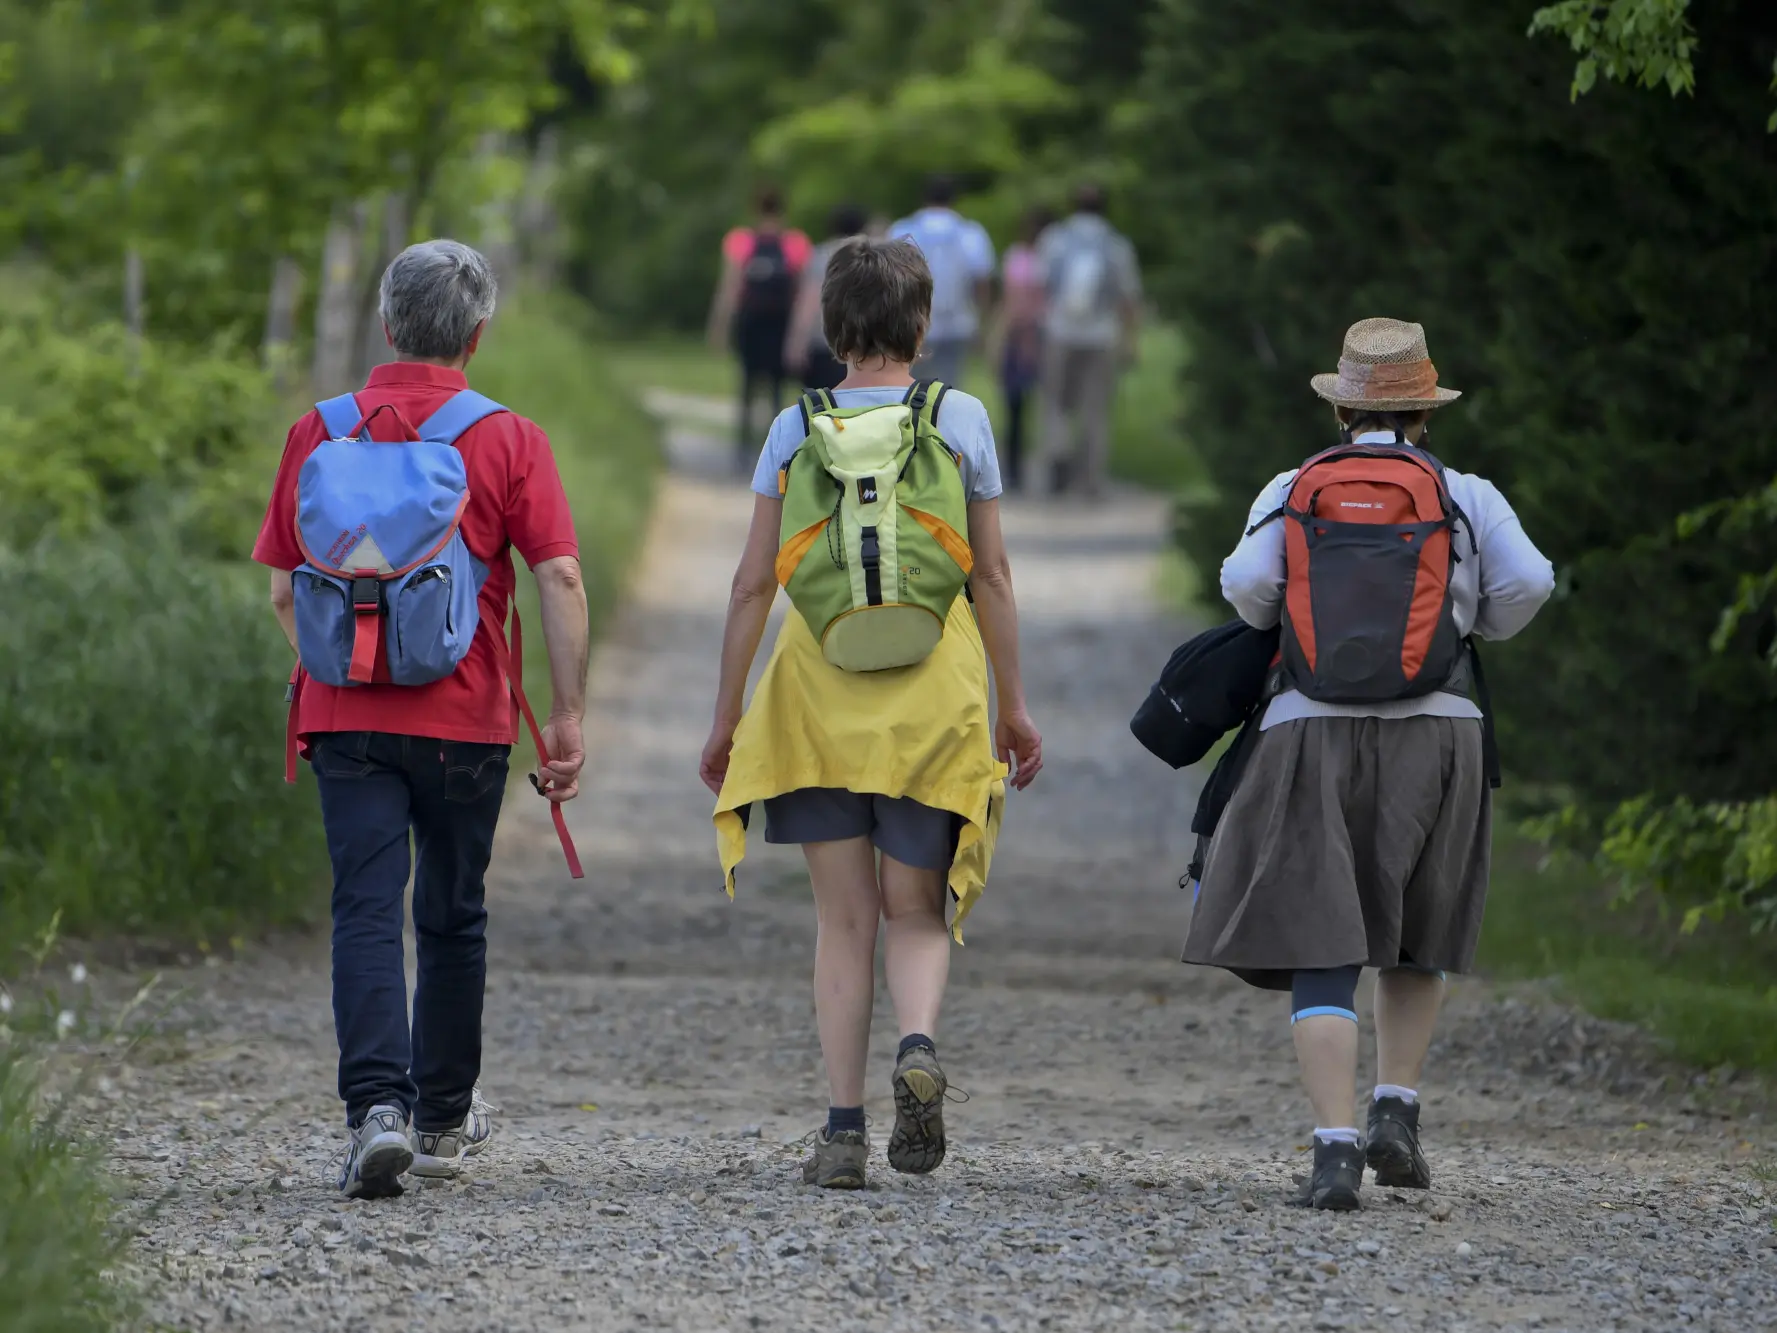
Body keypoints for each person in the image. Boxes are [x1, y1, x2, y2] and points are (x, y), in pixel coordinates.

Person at [1184, 317, 1555, 1210]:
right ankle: (1396, 1105)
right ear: (1425, 408)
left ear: (1343, 404)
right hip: (1440, 727)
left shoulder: (1293, 485)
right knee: (1412, 924)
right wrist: (1460, 633)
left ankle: (1333, 1150)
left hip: (1310, 725)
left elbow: (1245, 586)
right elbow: (1530, 582)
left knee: (1324, 937)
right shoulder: (1464, 491)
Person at [700, 237, 1044, 1190]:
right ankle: (919, 1043)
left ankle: (843, 1131)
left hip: (816, 695)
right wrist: (1013, 708)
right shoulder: (962, 417)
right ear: (923, 326)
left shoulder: (791, 429)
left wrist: (727, 720)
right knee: (915, 908)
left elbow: (748, 587)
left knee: (842, 918)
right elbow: (994, 575)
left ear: (828, 326)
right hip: (933, 693)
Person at [254, 240, 589, 1199]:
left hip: (344, 714)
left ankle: (376, 1114)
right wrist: (564, 715)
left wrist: (331, 659)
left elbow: (286, 590)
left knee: (365, 908)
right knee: (450, 913)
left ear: (386, 325)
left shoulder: (317, 431)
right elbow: (558, 575)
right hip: (466, 718)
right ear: (477, 335)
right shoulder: (509, 438)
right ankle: (442, 1116)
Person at [1034, 184, 1143, 498]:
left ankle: (1058, 456)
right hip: (1102, 334)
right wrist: (1131, 340)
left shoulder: (1055, 239)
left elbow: (1042, 286)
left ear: (1073, 206)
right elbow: (1128, 297)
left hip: (1060, 331)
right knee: (1095, 409)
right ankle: (1091, 479)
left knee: (1056, 403)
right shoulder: (1116, 245)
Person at [707, 188, 813, 467]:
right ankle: (774, 449)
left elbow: (730, 287)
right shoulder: (796, 243)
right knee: (777, 389)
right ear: (783, 210)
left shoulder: (741, 241)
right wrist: (801, 331)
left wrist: (719, 327)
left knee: (748, 386)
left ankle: (742, 448)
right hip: (780, 324)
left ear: (755, 210)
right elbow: (802, 290)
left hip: (750, 323)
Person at [889, 175, 995, 389]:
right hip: (958, 322)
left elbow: (889, 281)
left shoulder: (902, 229)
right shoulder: (971, 233)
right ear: (954, 199)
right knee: (950, 384)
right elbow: (982, 282)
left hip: (914, 323)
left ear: (924, 197)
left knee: (913, 386)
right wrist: (982, 323)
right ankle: (944, 420)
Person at [993, 205, 1051, 492]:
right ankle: (1036, 469)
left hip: (1022, 335)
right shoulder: (1048, 257)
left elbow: (1010, 300)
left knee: (1017, 406)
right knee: (1036, 405)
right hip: (1039, 335)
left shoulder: (1017, 257)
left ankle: (1018, 469)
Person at [785, 202, 869, 392]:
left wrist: (796, 341)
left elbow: (809, 301)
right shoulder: (873, 256)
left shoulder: (820, 256)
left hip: (825, 343)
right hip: (863, 343)